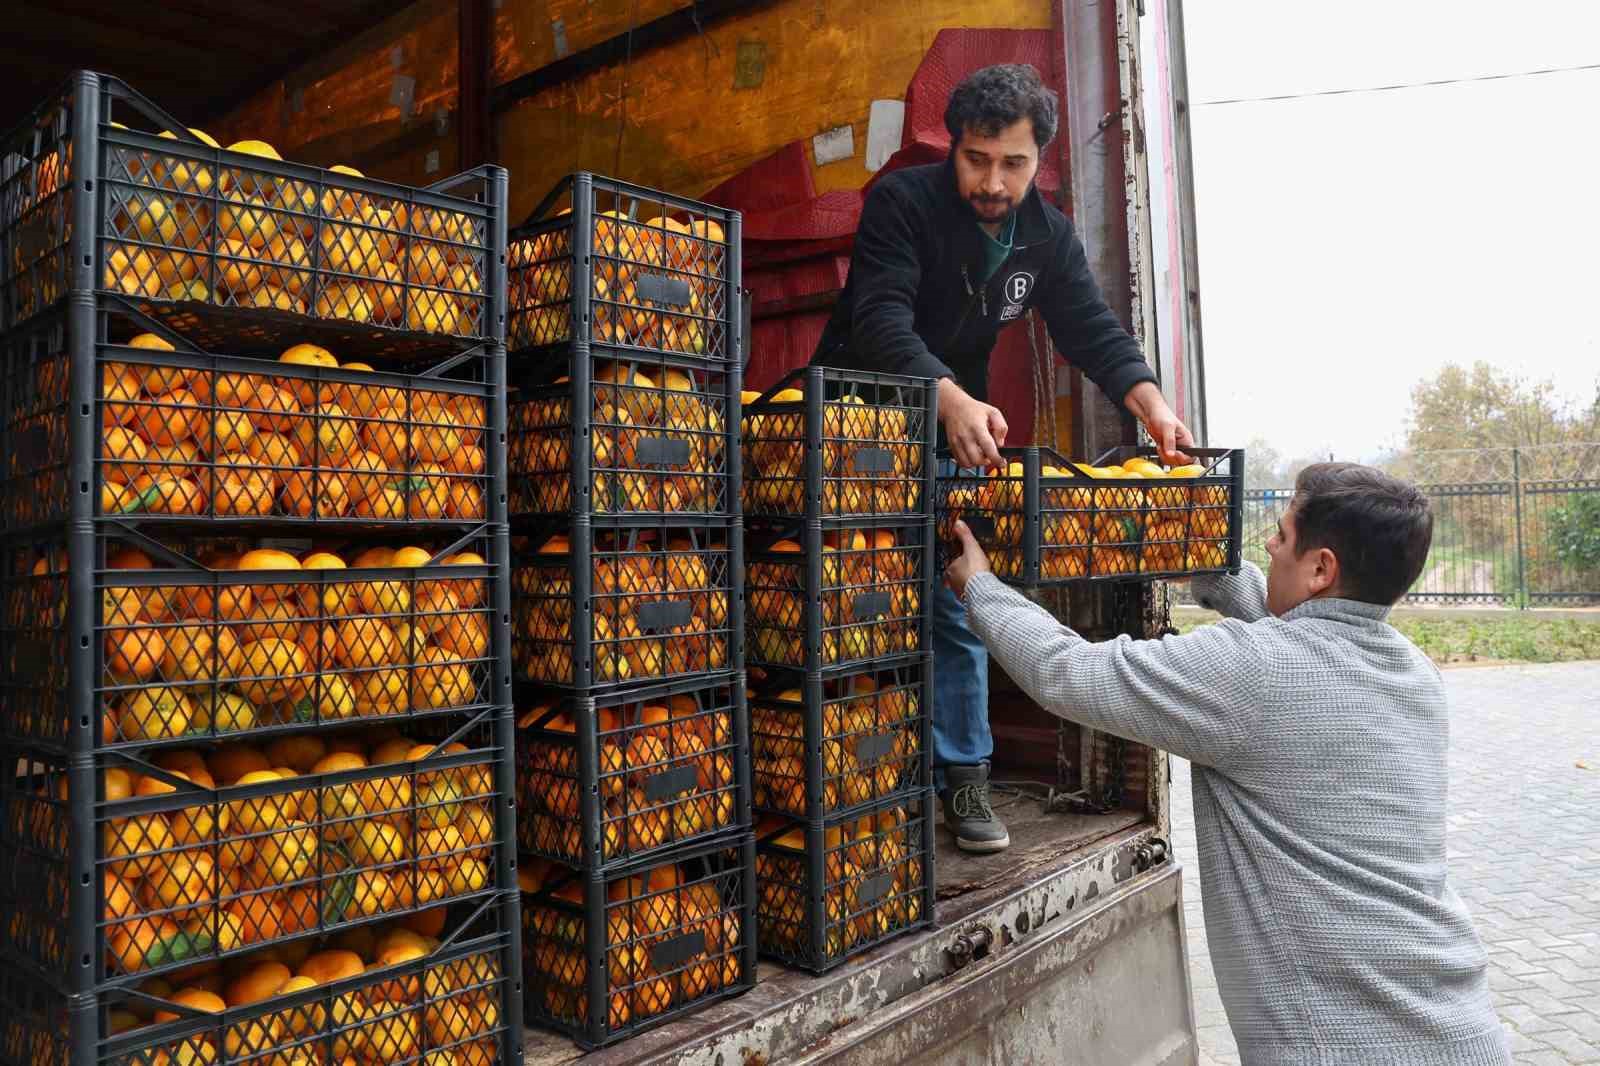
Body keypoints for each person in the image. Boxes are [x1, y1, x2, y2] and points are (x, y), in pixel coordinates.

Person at [943, 462, 1513, 1066]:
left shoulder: (1255, 671)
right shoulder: (1413, 672)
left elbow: (1070, 673)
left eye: (1283, 534)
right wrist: (1201, 547)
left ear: (1321, 569)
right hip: (1463, 1030)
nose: (1268, 543)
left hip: (1342, 1045)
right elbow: (1299, 633)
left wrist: (982, 588)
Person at [811, 62, 1193, 851]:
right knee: (846, 601)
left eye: (1012, 163)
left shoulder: (1045, 236)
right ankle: (850, 779)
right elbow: (880, 319)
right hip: (855, 425)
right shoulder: (903, 204)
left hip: (958, 433)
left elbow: (1090, 328)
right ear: (954, 148)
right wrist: (946, 397)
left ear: (1039, 160)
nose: (992, 179)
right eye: (977, 158)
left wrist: (1148, 398)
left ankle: (963, 781)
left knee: (959, 605)